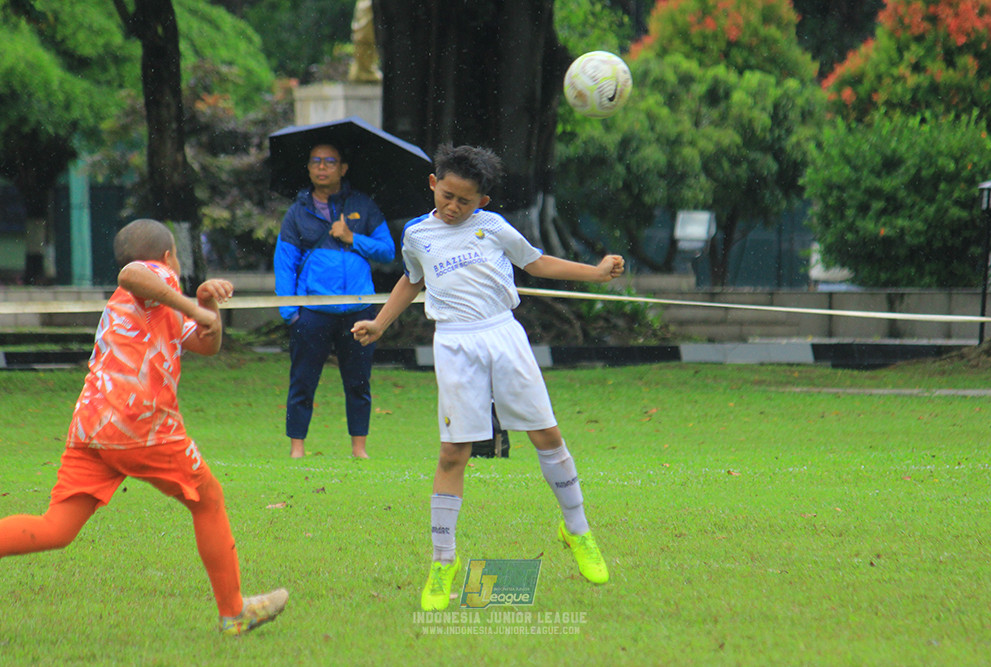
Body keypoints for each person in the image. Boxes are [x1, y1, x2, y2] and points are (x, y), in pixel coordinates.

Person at [352, 144, 625, 611]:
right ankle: (443, 562)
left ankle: (577, 531)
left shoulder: (493, 228)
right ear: (433, 184)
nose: (453, 206)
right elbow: (411, 280)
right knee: (453, 452)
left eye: (465, 200)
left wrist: (595, 273)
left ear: (483, 201)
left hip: (504, 336)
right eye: (447, 195)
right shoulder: (417, 234)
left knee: (547, 435)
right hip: (455, 344)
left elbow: (536, 262)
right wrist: (380, 322)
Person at [0, 219, 288, 635]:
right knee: (208, 500)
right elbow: (132, 273)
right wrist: (189, 303)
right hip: (142, 426)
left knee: (57, 527)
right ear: (169, 256)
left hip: (91, 426)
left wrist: (208, 304)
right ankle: (233, 612)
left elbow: (208, 344)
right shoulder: (152, 276)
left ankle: (234, 610)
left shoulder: (155, 302)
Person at [273, 142, 396, 459]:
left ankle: (359, 449)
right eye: (315, 161)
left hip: (359, 311)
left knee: (358, 383)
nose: (322, 167)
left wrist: (352, 237)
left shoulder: (363, 206)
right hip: (312, 312)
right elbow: (285, 263)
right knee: (302, 382)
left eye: (330, 161)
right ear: (309, 168)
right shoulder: (298, 212)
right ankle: (296, 448)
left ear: (343, 168)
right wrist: (290, 313)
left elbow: (387, 251)